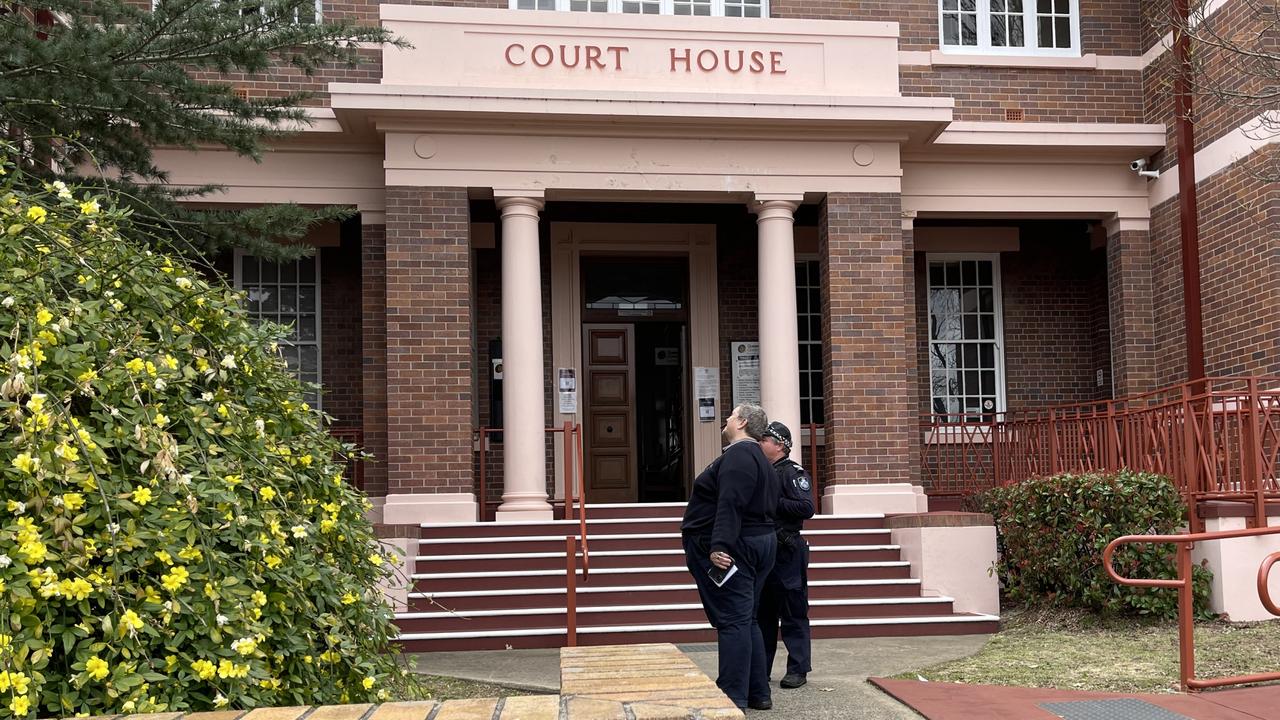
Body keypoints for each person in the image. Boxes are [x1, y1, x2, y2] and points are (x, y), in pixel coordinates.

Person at [680, 403, 779, 711]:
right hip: (761, 543)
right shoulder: (760, 460)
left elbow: (730, 503)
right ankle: (757, 692)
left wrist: (718, 545)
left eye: (732, 415)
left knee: (733, 620)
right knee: (747, 618)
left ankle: (732, 694)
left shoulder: (738, 456)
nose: (726, 418)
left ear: (743, 422)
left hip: (738, 546)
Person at [757, 421, 815, 689]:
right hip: (766, 552)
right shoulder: (763, 472)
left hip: (788, 550)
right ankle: (761, 669)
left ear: (779, 445)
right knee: (763, 615)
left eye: (765, 439)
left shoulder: (792, 473)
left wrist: (772, 501)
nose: (760, 443)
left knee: (793, 612)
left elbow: (806, 507)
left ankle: (798, 669)